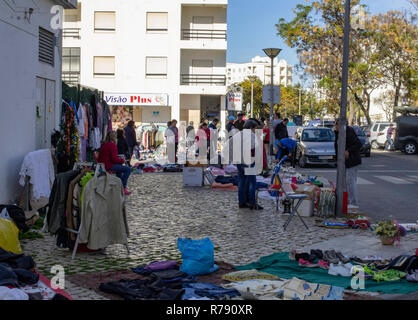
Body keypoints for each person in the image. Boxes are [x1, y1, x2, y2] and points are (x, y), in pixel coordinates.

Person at [334, 119, 362, 208]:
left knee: (350, 181)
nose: (335, 126)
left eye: (336, 124)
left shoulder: (349, 131)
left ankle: (353, 202)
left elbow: (358, 144)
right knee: (344, 182)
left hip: (351, 160)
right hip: (343, 161)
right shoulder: (339, 133)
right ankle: (347, 200)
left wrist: (348, 151)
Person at [236, 119, 263, 210]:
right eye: (255, 128)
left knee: (242, 182)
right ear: (251, 128)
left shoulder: (239, 134)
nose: (256, 130)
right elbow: (252, 147)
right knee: (252, 182)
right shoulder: (251, 135)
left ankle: (242, 202)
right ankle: (252, 202)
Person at [98, 131, 132, 195]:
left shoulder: (103, 144)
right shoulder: (112, 145)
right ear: (114, 137)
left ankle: (119, 186)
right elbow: (114, 159)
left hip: (102, 165)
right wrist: (122, 160)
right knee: (128, 169)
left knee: (119, 168)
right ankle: (123, 187)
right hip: (109, 165)